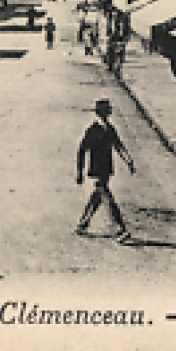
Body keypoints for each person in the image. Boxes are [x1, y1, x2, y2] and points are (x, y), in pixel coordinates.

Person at [76, 97, 136, 243]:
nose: (109, 112)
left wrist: (128, 160)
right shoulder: (92, 130)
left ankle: (83, 223)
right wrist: (80, 172)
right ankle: (119, 229)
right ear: (101, 112)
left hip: (106, 169)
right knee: (107, 198)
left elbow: (118, 145)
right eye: (107, 110)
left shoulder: (110, 129)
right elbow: (82, 151)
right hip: (96, 170)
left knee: (97, 197)